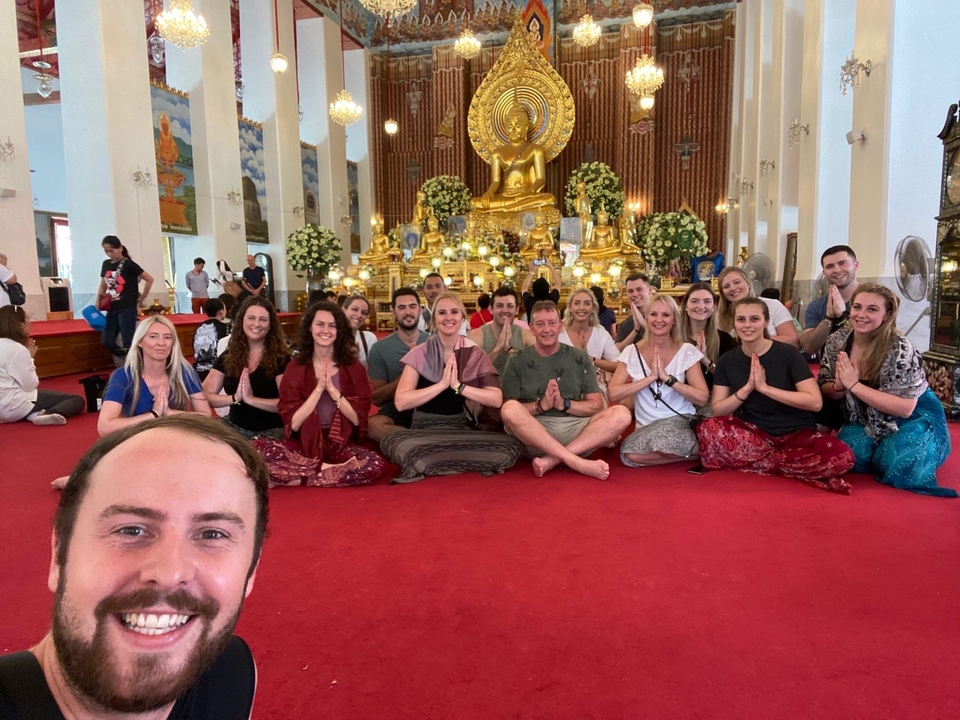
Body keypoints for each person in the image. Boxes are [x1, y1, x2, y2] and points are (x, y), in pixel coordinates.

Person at [0, 414, 268, 719]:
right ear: (59, 553)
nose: (168, 574)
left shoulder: (230, 675)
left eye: (212, 534)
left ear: (251, 571)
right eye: (130, 530)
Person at [695, 298, 855, 493]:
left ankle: (758, 464)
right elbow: (718, 410)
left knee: (843, 456)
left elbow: (815, 402)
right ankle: (787, 466)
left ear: (765, 322)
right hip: (753, 435)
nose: (747, 325)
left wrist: (765, 388)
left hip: (796, 436)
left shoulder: (788, 354)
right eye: (741, 320)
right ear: (734, 323)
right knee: (708, 428)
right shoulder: (727, 361)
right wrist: (746, 389)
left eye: (754, 319)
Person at [819, 284, 956, 497]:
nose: (861, 315)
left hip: (914, 417)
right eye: (857, 307)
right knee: (843, 457)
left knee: (900, 464)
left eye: (872, 309)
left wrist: (854, 386)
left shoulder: (900, 348)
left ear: (887, 314)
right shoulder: (837, 341)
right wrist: (838, 386)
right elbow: (827, 386)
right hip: (864, 419)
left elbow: (904, 409)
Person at [380, 293, 523, 482]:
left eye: (454, 312)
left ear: (462, 318)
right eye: (442, 312)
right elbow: (401, 402)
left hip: (459, 427)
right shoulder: (419, 353)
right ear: (434, 319)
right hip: (423, 430)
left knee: (513, 445)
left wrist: (458, 386)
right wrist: (441, 385)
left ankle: (433, 462)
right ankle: (463, 460)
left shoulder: (474, 352)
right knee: (394, 443)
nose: (449, 317)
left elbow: (495, 398)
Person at [253, 301, 385, 487]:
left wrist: (332, 390)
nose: (326, 330)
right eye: (320, 324)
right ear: (310, 328)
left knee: (373, 464)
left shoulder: (352, 367)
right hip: (304, 443)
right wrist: (318, 390)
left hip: (340, 442)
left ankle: (299, 478)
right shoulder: (296, 367)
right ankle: (325, 469)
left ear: (339, 330)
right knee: (257, 448)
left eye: (332, 326)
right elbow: (294, 423)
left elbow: (357, 420)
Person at [500, 301, 633, 479]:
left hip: (577, 433)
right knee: (508, 409)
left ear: (560, 326)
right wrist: (541, 406)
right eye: (540, 324)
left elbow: (595, 405)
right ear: (531, 328)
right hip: (535, 433)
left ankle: (553, 459)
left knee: (622, 413)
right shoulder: (517, 359)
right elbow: (509, 412)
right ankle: (576, 462)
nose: (546, 329)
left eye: (552, 323)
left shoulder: (579, 357)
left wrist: (564, 404)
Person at [609, 294, 709, 466]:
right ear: (646, 318)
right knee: (628, 453)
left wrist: (668, 379)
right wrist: (648, 379)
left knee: (636, 453)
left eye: (665, 315)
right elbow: (613, 393)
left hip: (678, 420)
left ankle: (683, 448)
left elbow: (701, 397)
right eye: (653, 314)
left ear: (674, 320)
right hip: (646, 427)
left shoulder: (686, 350)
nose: (659, 320)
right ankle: (695, 452)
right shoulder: (632, 351)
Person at [98, 315, 211, 436]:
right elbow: (104, 427)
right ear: (140, 341)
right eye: (153, 336)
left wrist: (169, 413)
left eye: (167, 337)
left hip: (176, 438)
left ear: (173, 343)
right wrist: (154, 414)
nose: (161, 343)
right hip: (137, 440)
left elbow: (206, 415)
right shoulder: (123, 375)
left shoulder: (184, 371)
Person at [202, 296, 291, 441]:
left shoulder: (282, 359)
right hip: (234, 425)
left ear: (270, 325)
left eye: (263, 319)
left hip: (271, 429)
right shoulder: (229, 355)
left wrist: (251, 399)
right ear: (242, 321)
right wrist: (234, 398)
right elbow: (204, 396)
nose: (256, 324)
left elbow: (287, 404)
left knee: (250, 455)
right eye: (251, 318)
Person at [0, 305, 84, 425]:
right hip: (12, 405)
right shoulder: (17, 350)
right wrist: (30, 358)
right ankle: (47, 414)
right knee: (76, 400)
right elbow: (30, 385)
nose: (30, 324)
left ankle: (34, 414)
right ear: (20, 325)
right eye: (28, 320)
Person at [470, 99, 556, 213]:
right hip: (505, 197)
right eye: (510, 126)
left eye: (518, 126)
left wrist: (530, 191)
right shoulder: (497, 153)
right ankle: (508, 208)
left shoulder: (536, 150)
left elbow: (540, 179)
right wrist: (489, 193)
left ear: (525, 128)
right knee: (474, 203)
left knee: (549, 199)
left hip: (526, 196)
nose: (514, 130)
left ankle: (506, 209)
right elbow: (496, 182)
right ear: (505, 129)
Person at [367, 288, 430, 442]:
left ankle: (407, 441)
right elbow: (377, 398)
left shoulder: (435, 342)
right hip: (396, 410)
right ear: (393, 312)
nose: (408, 312)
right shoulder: (380, 348)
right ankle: (421, 440)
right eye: (401, 308)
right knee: (372, 426)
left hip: (432, 408)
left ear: (420, 310)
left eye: (412, 306)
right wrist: (410, 370)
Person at [98, 235, 154, 360]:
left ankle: (134, 365)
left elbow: (149, 279)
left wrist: (142, 297)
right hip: (111, 307)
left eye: (111, 250)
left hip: (127, 307)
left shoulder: (129, 264)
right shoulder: (106, 264)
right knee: (107, 340)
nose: (109, 254)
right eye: (106, 251)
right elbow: (103, 285)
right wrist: (98, 302)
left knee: (128, 340)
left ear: (120, 248)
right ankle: (127, 358)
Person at [715, 266, 800, 347]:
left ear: (748, 283)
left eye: (737, 282)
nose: (732, 288)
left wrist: (756, 339)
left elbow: (793, 340)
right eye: (726, 286)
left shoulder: (773, 305)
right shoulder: (718, 316)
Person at [800, 245, 860, 356]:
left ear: (855, 265)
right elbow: (808, 347)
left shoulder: (874, 300)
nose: (837, 270)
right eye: (830, 266)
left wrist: (843, 316)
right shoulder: (817, 306)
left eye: (842, 263)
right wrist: (828, 318)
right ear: (824, 272)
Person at [559, 288, 620, 395]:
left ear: (593, 308)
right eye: (577, 303)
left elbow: (618, 366)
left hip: (594, 388)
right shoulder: (559, 333)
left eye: (587, 303)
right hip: (563, 387)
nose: (581, 308)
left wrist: (589, 358)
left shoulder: (601, 333)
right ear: (570, 307)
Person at [680, 282, 736, 389]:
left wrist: (706, 360)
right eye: (694, 301)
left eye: (707, 301)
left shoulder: (725, 340)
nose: (701, 306)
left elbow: (730, 379)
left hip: (711, 400)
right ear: (685, 306)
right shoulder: (672, 337)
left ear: (714, 306)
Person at [467, 286, 535, 373]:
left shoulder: (526, 335)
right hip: (486, 386)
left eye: (510, 306)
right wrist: (497, 348)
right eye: (499, 306)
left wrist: (510, 350)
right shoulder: (476, 336)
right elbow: (471, 372)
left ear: (517, 310)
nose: (505, 310)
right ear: (491, 309)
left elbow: (536, 368)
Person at [192, 298, 230, 382]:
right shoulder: (226, 328)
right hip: (216, 371)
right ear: (221, 311)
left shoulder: (199, 327)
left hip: (198, 370)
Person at [614, 273, 652, 351]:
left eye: (639, 289)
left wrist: (645, 326)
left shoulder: (662, 317)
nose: (635, 294)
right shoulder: (625, 324)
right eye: (630, 291)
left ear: (650, 290)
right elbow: (617, 351)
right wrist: (636, 330)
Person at [343, 294, 378, 366]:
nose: (359, 315)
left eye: (364, 313)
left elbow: (374, 369)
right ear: (343, 310)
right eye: (355, 309)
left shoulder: (369, 338)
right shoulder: (331, 336)